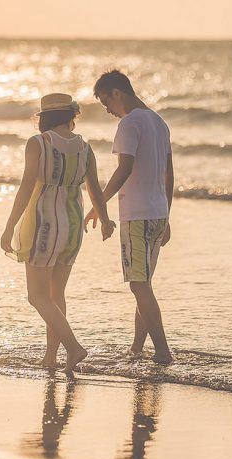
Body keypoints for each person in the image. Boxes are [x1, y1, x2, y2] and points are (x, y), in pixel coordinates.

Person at [1, 93, 115, 374]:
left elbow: (27, 187)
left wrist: (9, 226)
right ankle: (51, 357)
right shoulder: (84, 147)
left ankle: (73, 347)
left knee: (37, 296)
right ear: (70, 116)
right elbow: (95, 189)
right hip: (73, 224)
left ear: (44, 118)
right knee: (56, 294)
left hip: (44, 225)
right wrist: (106, 219)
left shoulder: (39, 143)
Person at [85, 70, 174, 364]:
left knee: (139, 285)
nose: (107, 110)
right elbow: (168, 174)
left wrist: (100, 203)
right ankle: (137, 348)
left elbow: (124, 168)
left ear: (117, 93)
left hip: (137, 215)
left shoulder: (129, 123)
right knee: (143, 283)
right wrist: (168, 214)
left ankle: (162, 351)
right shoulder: (159, 123)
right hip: (157, 213)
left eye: (105, 102)